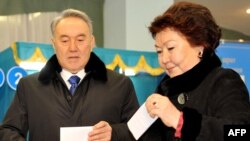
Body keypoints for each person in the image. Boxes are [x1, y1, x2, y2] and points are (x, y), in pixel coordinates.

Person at [0, 9, 139, 141]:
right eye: (65, 41)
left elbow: (139, 132)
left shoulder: (120, 84)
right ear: (54, 44)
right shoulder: (29, 86)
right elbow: (8, 131)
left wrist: (114, 133)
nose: (73, 48)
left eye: (80, 40)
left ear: (91, 42)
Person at [140, 1, 250, 141]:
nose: (164, 59)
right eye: (159, 51)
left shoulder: (223, 81)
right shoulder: (163, 89)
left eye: (171, 48)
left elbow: (241, 133)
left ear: (200, 46)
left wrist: (181, 121)